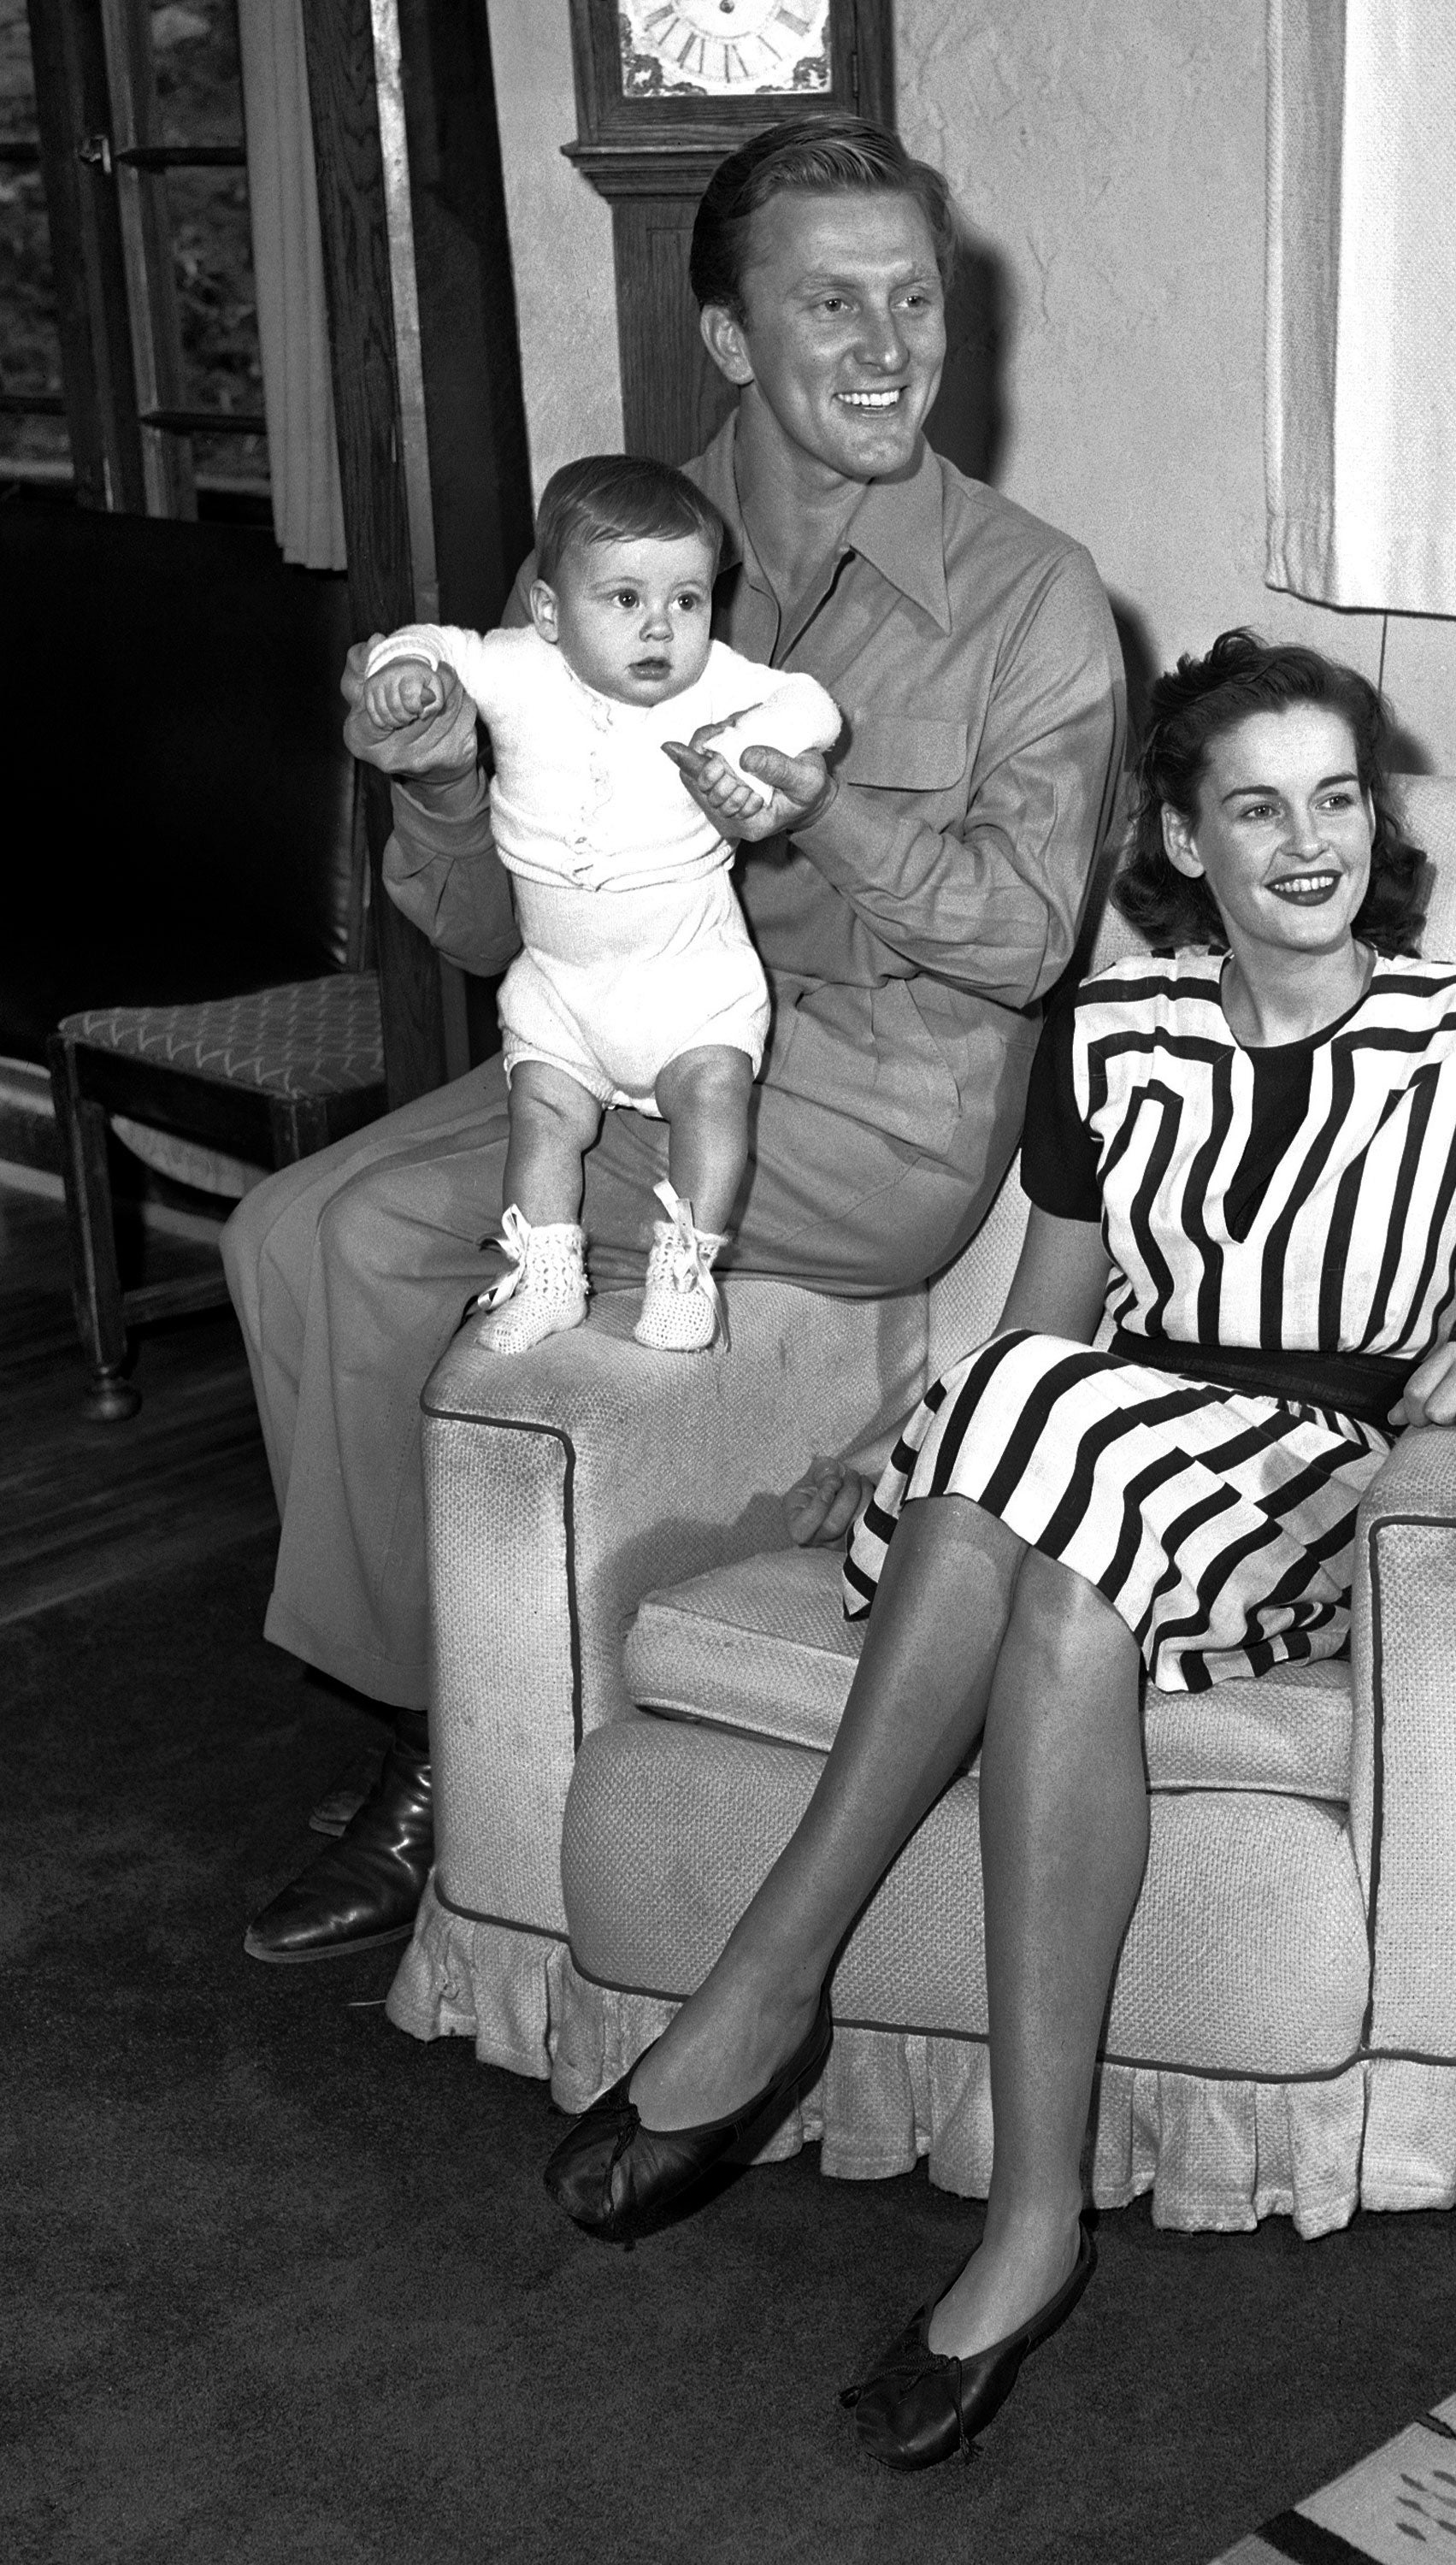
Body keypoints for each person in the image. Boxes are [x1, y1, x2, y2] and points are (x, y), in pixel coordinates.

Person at [539, 633, 1456, 2472]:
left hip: (1305, 1479)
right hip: (1090, 1482)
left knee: (1048, 1440)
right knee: (1055, 1560)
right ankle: (1035, 2226)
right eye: (1257, 806)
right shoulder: (1112, 1037)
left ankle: (764, 1984)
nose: (1308, 843)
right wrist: (898, 1448)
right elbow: (1045, 1329)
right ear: (1185, 843)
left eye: (1339, 800)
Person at [226, 115, 1127, 1964]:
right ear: (725, 336)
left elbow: (1033, 945)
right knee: (280, 1231)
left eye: (917, 300)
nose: (893, 349)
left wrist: (818, 813)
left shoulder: (1035, 597)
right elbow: (484, 926)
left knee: (367, 1239)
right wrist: (446, 791)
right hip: (622, 1041)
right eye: (831, 305)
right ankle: (446, 1708)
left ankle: (436, 1765)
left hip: (870, 1116)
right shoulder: (606, 551)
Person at [359, 455, 841, 1355]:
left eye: (688, 600)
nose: (660, 627)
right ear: (549, 612)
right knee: (540, 1116)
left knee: (715, 1092)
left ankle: (685, 1270)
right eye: (624, 600)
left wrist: (747, 743)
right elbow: (431, 642)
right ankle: (546, 1275)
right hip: (562, 992)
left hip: (690, 983)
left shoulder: (716, 685)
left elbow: (811, 704)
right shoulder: (516, 666)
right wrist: (408, 671)